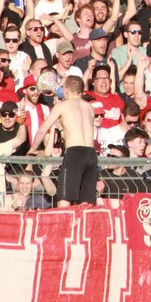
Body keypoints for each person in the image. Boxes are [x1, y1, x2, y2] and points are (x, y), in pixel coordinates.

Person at [28, 75, 98, 207]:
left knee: (64, 200)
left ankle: (63, 222)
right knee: (86, 203)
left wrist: (32, 150)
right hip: (91, 154)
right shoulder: (89, 107)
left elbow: (42, 130)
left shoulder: (63, 106)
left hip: (75, 153)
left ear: (66, 90)